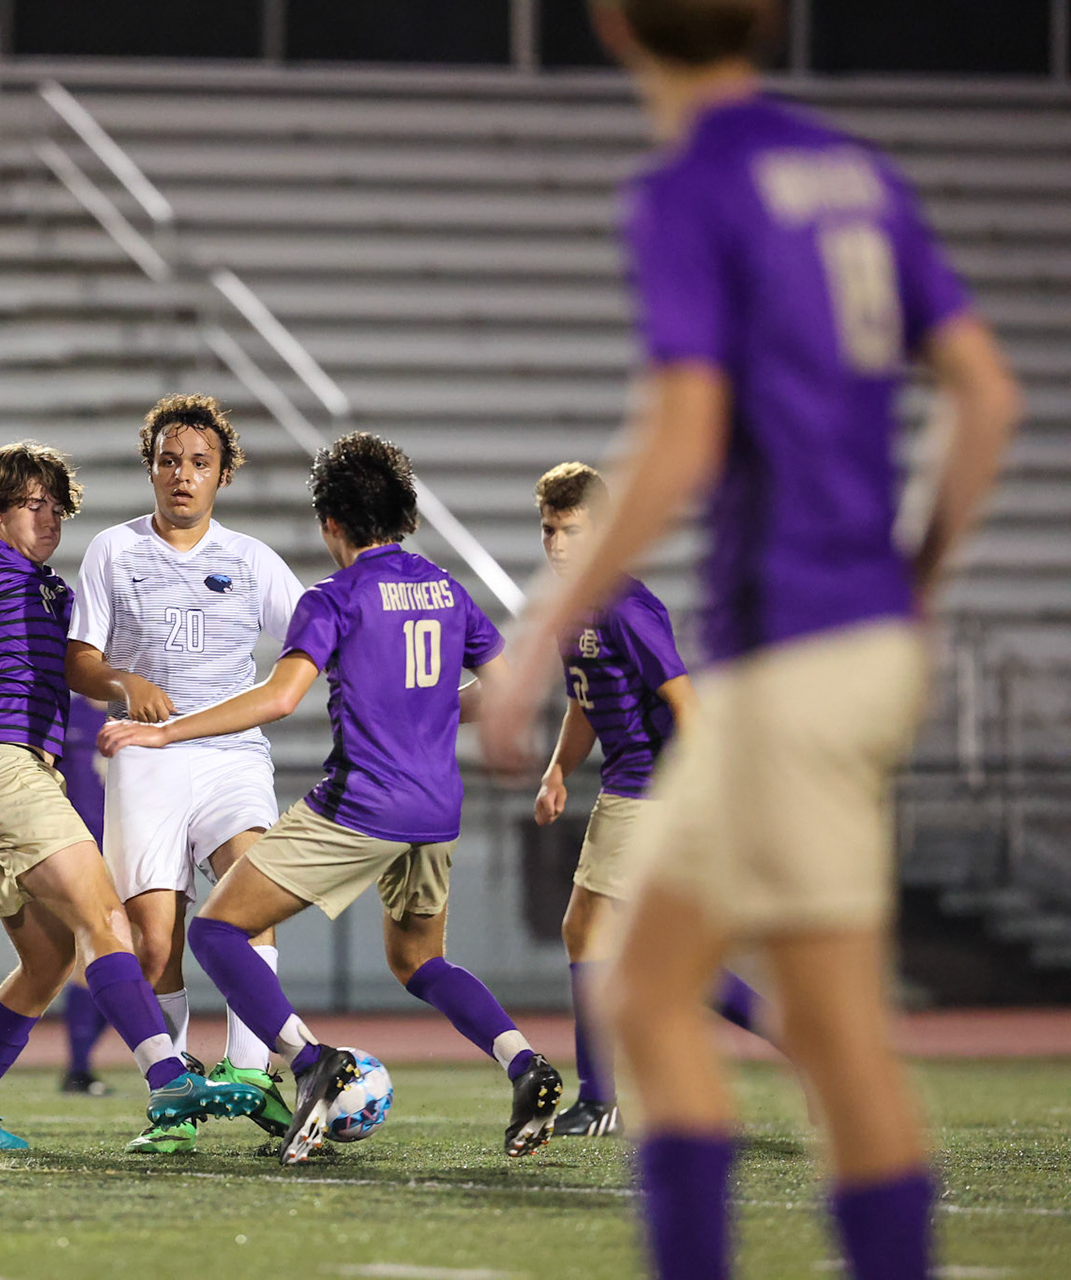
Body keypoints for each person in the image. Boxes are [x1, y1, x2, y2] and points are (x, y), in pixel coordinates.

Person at [480, 3, 1022, 1276]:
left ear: (617, 30)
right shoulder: (858, 172)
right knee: (813, 1027)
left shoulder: (692, 184)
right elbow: (987, 398)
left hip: (786, 657)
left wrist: (539, 629)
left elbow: (679, 438)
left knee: (651, 995)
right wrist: (914, 579)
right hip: (864, 643)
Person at [105, 432, 564, 1165]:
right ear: (403, 515)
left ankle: (309, 1061)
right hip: (437, 810)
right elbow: (506, 692)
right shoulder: (447, 590)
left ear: (331, 524)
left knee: (216, 931)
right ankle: (523, 1062)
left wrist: (166, 734)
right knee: (420, 963)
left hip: (362, 805)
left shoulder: (334, 597)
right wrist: (433, 712)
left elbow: (281, 697)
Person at [0, 440, 261, 1153]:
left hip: (25, 777)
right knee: (108, 920)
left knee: (47, 964)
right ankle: (169, 1078)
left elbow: (77, 672)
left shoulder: (54, 592)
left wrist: (123, 684)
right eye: (32, 504)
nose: (48, 519)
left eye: (57, 508)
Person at [64, 394, 306, 1153]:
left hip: (232, 755)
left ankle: (252, 1072)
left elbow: (314, 638)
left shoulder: (253, 561)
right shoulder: (113, 549)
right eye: (169, 461)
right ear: (151, 467)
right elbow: (78, 658)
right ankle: (174, 1099)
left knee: (249, 894)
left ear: (223, 476)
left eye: (199, 463)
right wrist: (121, 682)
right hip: (143, 756)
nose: (182, 475)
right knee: (153, 941)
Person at [529, 462, 777, 1137]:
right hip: (637, 787)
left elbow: (685, 701)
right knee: (671, 957)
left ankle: (599, 1097)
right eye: (549, 530)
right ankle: (801, 1042)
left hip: (647, 788)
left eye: (573, 532)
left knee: (586, 930)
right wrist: (556, 771)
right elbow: (586, 703)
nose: (557, 546)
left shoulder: (624, 605)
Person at [55, 693, 112, 1096]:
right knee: (87, 953)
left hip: (133, 849)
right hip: (81, 848)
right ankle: (78, 1067)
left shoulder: (140, 709)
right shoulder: (66, 711)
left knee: (146, 959)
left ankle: (81, 1062)